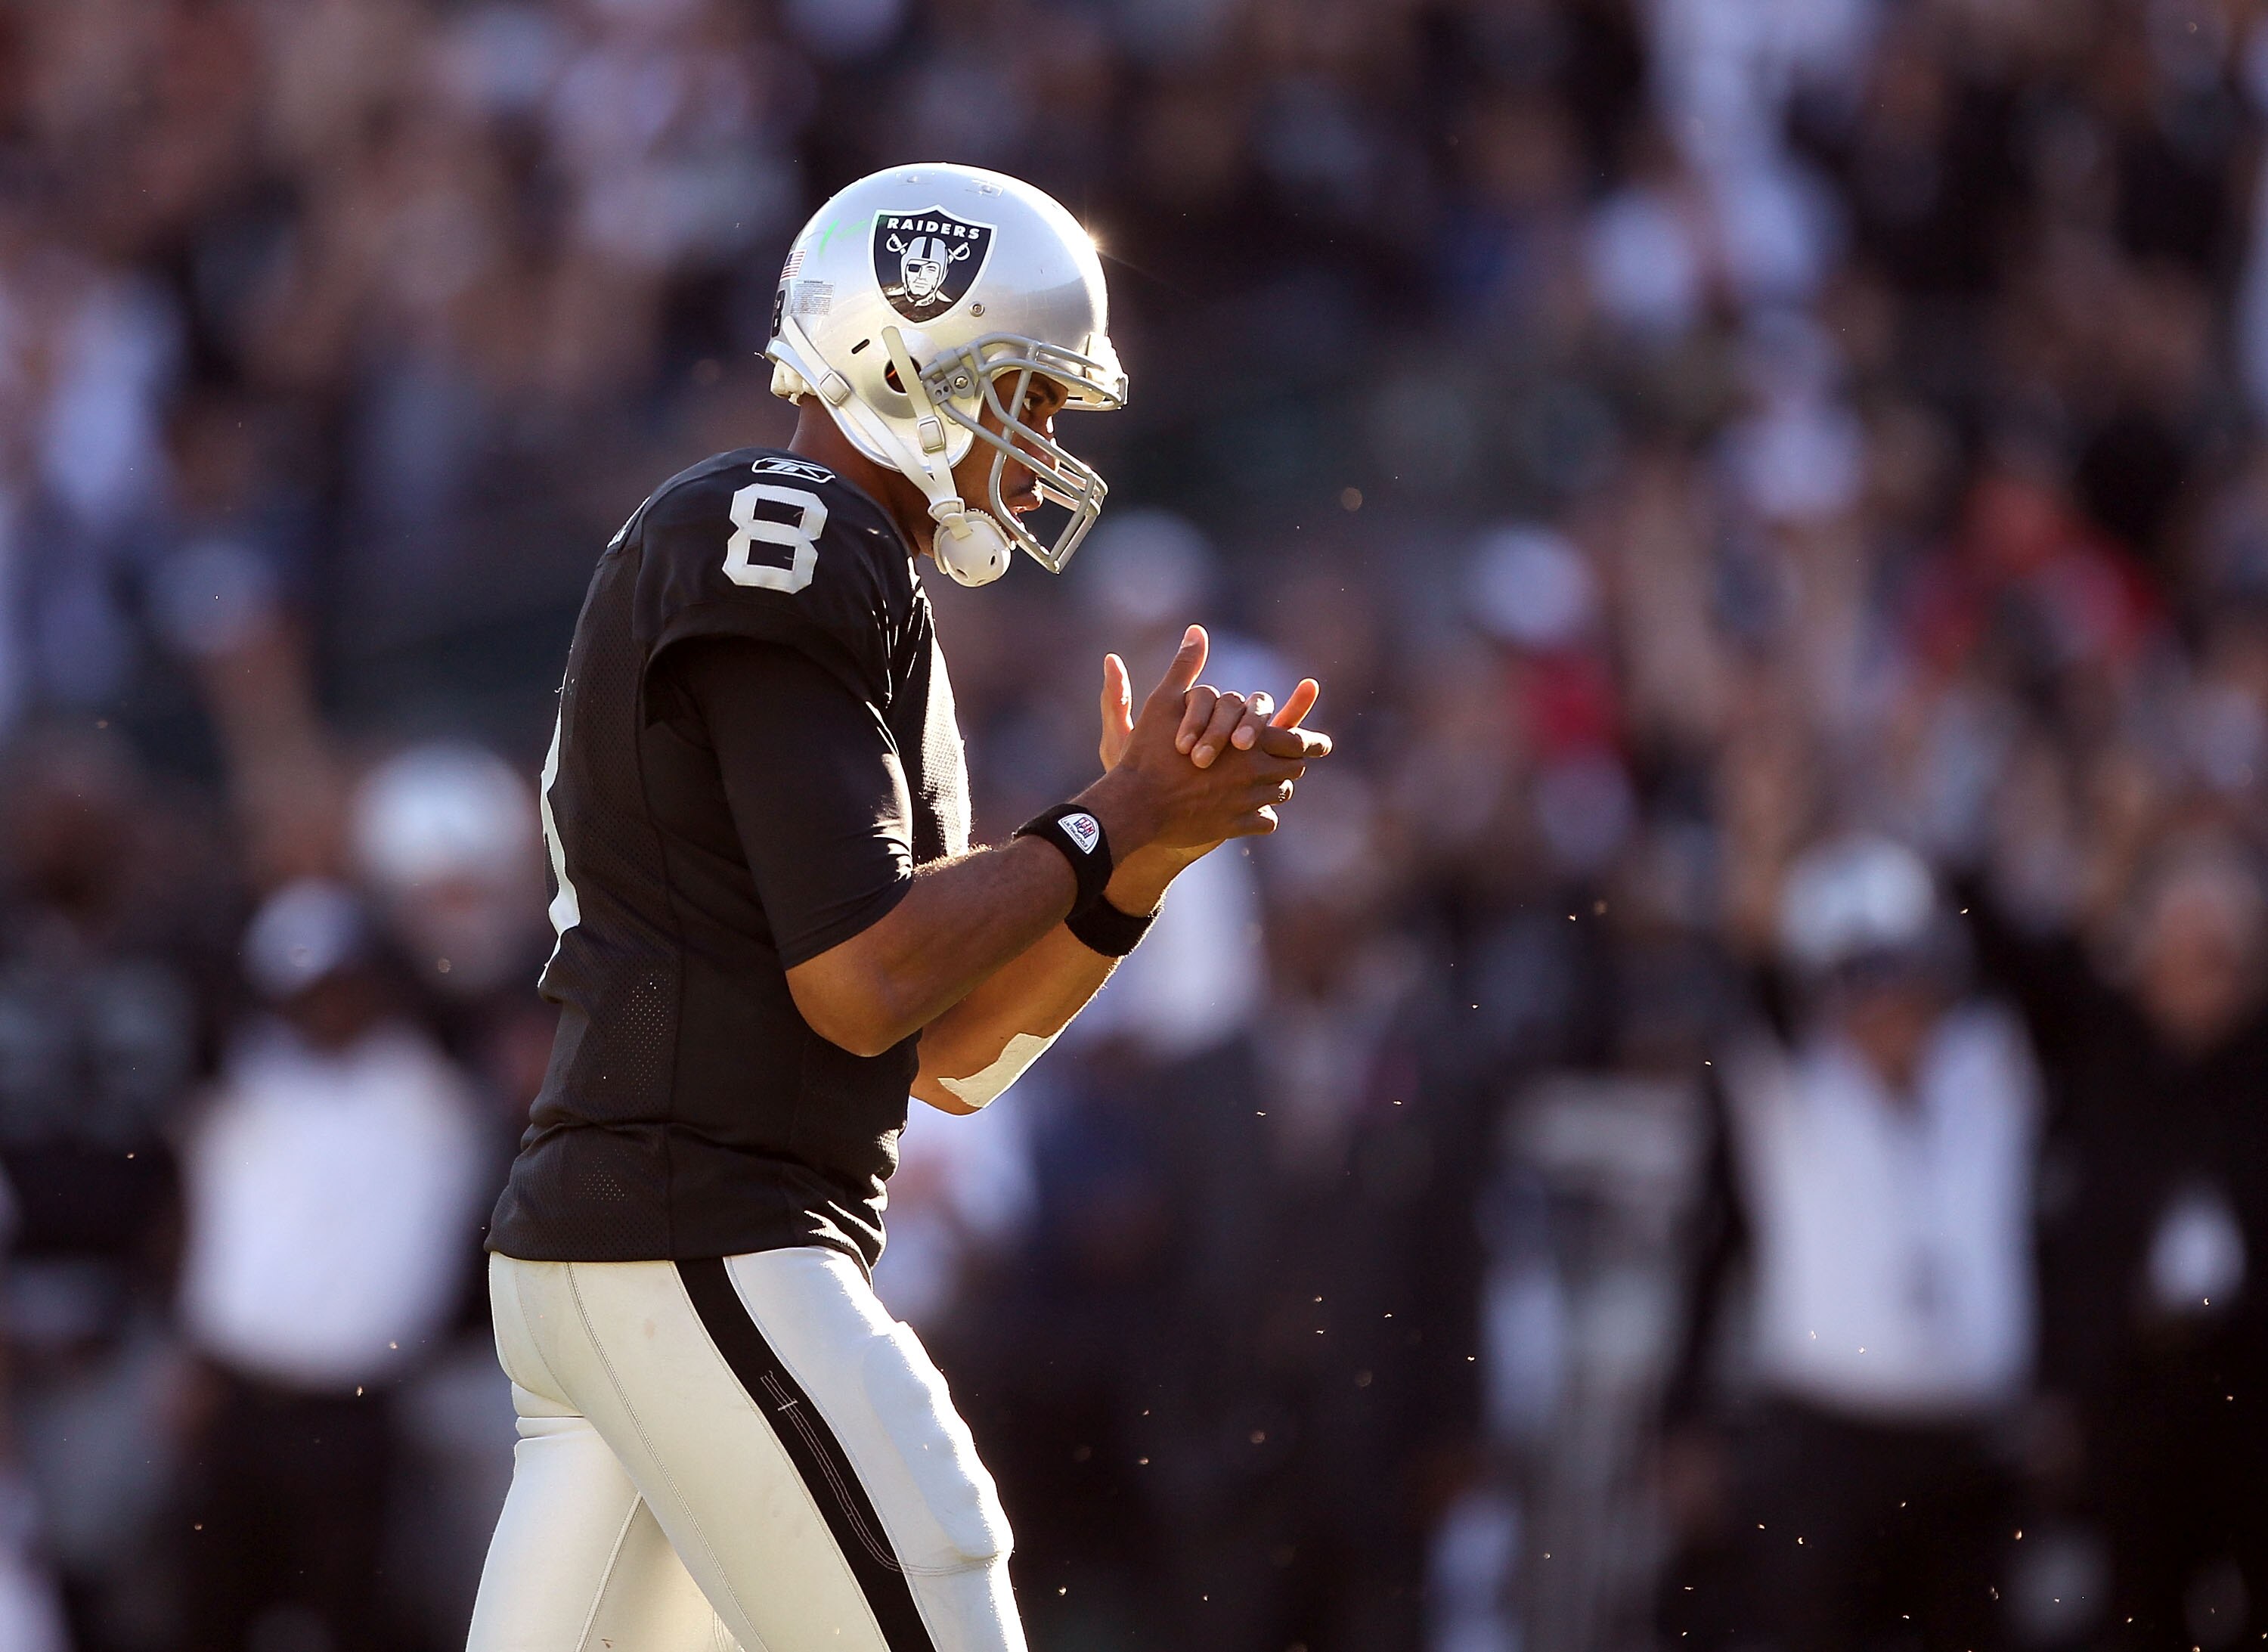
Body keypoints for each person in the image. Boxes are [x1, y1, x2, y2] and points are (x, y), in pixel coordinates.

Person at [468, 162, 1335, 1652]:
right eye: (1032, 398)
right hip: (709, 1235)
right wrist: (1102, 817)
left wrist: (1141, 859)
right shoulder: (788, 525)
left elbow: (948, 1056)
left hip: (633, 1254)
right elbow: (860, 985)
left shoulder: (863, 577)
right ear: (912, 357)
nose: (1047, 445)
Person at [1661, 835, 2040, 1650]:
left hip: (1968, 1447)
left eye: (1902, 974)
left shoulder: (1991, 1070)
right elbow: (1748, 977)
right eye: (1858, 979)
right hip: (1827, 1449)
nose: (1884, 1003)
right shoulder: (1792, 1088)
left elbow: (2047, 961)